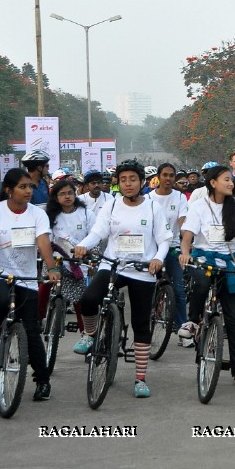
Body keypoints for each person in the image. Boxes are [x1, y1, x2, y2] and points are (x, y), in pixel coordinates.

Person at [75, 160, 172, 399]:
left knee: (141, 324)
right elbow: (98, 232)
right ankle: (90, 334)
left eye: (133, 179)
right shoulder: (111, 205)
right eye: (124, 179)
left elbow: (164, 240)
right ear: (118, 182)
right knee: (88, 299)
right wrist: (82, 246)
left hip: (142, 270)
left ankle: (140, 378)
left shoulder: (152, 208)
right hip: (113, 264)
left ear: (142, 182)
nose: (128, 184)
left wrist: (158, 259)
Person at [0, 168, 58, 402]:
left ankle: (43, 381)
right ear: (9, 190)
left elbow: (43, 243)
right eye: (23, 187)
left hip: (26, 278)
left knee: (31, 331)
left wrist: (52, 267)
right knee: (0, 300)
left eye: (30, 186)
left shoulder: (38, 214)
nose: (29, 191)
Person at [178, 165, 235, 387]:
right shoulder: (198, 206)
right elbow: (188, 236)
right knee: (202, 282)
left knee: (233, 320)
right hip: (203, 257)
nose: (231, 183)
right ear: (213, 182)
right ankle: (192, 322)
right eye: (226, 179)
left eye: (231, 180)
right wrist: (185, 254)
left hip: (228, 260)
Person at [43, 178, 95, 354]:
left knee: (80, 300)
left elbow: (95, 235)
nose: (67, 197)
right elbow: (46, 239)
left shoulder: (86, 213)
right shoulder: (50, 215)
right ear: (56, 197)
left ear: (75, 194)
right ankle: (37, 320)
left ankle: (86, 334)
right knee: (44, 286)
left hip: (78, 263)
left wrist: (87, 251)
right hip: (55, 260)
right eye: (62, 194)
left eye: (70, 193)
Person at [149, 163, 189, 336]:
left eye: (171, 175)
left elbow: (182, 220)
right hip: (152, 249)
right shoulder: (149, 198)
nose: (168, 179)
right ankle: (148, 323)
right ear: (158, 177)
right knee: (148, 288)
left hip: (173, 247)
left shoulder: (180, 197)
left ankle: (183, 328)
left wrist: (186, 240)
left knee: (179, 288)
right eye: (165, 175)